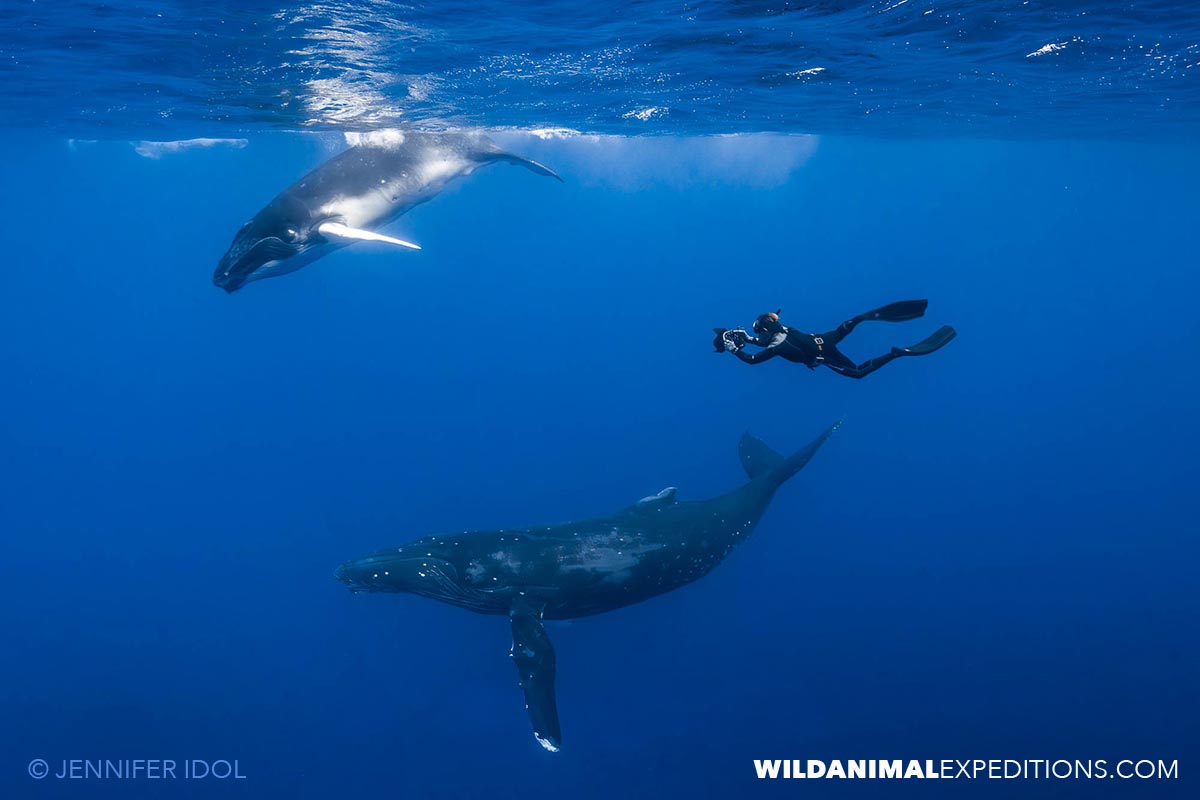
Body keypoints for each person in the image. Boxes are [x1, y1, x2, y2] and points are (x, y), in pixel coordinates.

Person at [712, 300, 955, 379]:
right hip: (822, 339)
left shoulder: (775, 345)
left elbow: (755, 359)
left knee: (858, 372)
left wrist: (734, 349)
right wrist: (746, 336)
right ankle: (862, 318)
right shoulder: (783, 328)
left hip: (821, 355)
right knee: (848, 325)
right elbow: (766, 337)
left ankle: (895, 353)